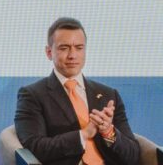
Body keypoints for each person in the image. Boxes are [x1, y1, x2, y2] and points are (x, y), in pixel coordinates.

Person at [15, 17, 140, 165]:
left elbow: (133, 155)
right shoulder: (32, 95)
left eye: (79, 48)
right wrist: (83, 135)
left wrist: (108, 132)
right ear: (49, 52)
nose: (72, 55)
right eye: (64, 48)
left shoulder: (109, 95)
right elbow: (34, 147)